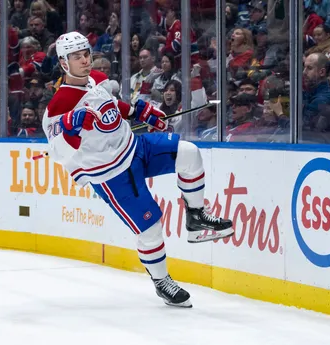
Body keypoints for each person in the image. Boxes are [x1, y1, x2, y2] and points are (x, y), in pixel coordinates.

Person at [42, 32, 234, 308]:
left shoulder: (95, 78)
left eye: (86, 53)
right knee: (150, 227)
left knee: (189, 154)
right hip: (110, 174)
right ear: (63, 63)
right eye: (77, 57)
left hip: (135, 147)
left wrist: (139, 112)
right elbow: (59, 148)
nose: (85, 60)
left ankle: (195, 218)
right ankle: (162, 281)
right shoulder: (59, 104)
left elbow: (109, 105)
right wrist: (71, 126)